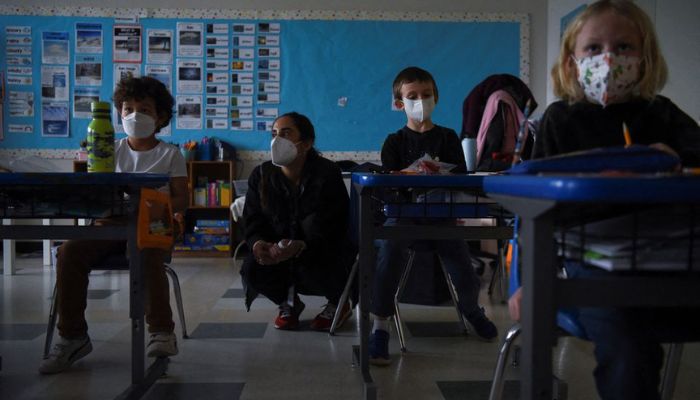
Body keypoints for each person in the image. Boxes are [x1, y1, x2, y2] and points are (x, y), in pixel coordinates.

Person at [509, 1, 700, 399]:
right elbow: (535, 206)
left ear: (646, 59)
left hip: (670, 260)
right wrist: (529, 280)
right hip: (593, 265)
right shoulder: (561, 118)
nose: (609, 58)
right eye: (594, 49)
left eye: (625, 47)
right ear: (571, 62)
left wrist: (673, 157)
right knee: (629, 342)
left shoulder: (661, 113)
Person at [39, 76, 188, 374]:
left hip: (156, 221)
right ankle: (73, 337)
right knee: (69, 251)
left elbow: (182, 200)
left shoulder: (170, 153)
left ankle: (161, 331)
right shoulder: (108, 149)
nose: (135, 115)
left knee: (145, 251)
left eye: (145, 109)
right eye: (128, 108)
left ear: (160, 117)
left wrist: (151, 199)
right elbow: (92, 197)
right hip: (110, 220)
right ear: (118, 113)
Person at [369, 66, 498, 366]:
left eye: (426, 95)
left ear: (436, 98)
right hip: (405, 215)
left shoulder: (448, 137)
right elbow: (389, 184)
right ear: (400, 103)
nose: (420, 101)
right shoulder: (394, 141)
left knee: (463, 265)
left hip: (441, 213)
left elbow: (462, 177)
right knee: (390, 250)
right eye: (412, 96)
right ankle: (380, 327)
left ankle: (471, 309)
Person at [240, 112, 355, 331]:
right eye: (274, 134)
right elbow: (252, 219)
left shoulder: (327, 173)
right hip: (277, 252)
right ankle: (288, 304)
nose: (277, 140)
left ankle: (337, 304)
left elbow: (334, 222)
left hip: (318, 250)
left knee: (332, 258)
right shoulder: (261, 175)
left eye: (285, 133)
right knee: (251, 267)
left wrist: (302, 246)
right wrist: (259, 244)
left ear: (307, 143)